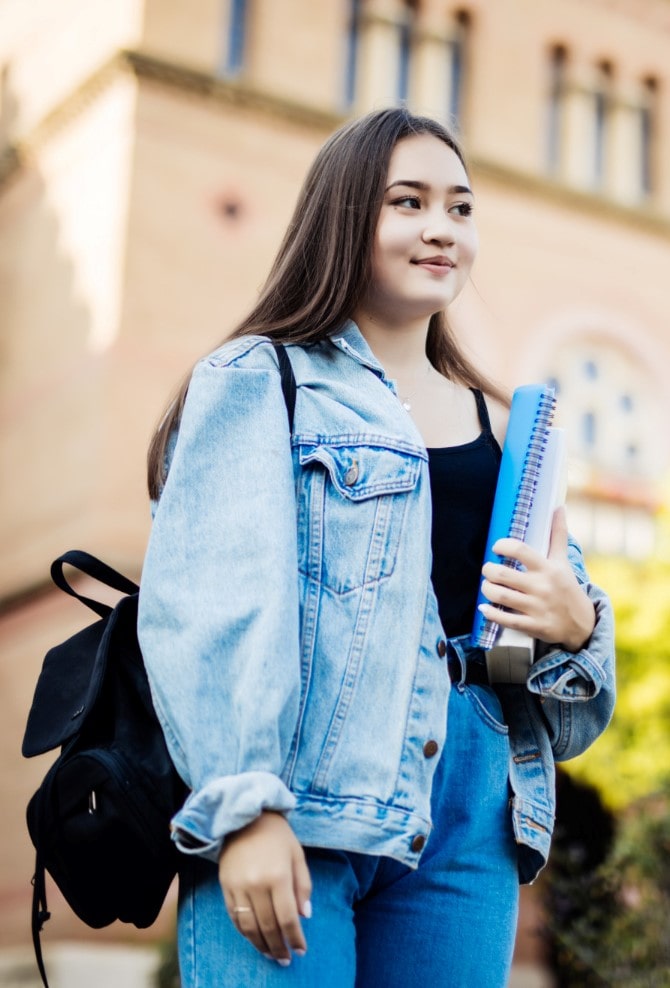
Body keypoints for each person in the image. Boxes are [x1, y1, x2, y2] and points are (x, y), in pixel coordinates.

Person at [137, 108, 615, 988]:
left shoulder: (508, 428)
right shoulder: (261, 379)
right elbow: (209, 607)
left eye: (461, 208)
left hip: (473, 816)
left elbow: (576, 708)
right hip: (302, 797)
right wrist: (244, 807)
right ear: (345, 216)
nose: (442, 228)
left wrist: (576, 622)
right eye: (409, 202)